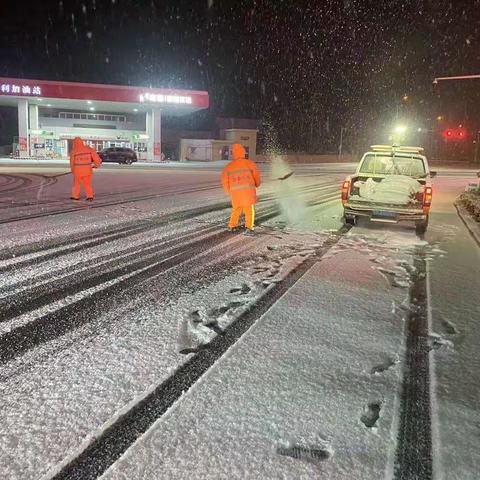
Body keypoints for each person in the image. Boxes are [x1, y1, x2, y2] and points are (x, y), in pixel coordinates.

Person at [221, 143, 261, 236]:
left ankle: (232, 226)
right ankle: (249, 228)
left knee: (236, 209)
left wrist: (228, 191)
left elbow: (224, 180)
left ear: (234, 153)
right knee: (249, 210)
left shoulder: (229, 166)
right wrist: (257, 184)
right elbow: (256, 176)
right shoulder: (250, 163)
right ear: (243, 152)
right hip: (248, 192)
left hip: (236, 193)